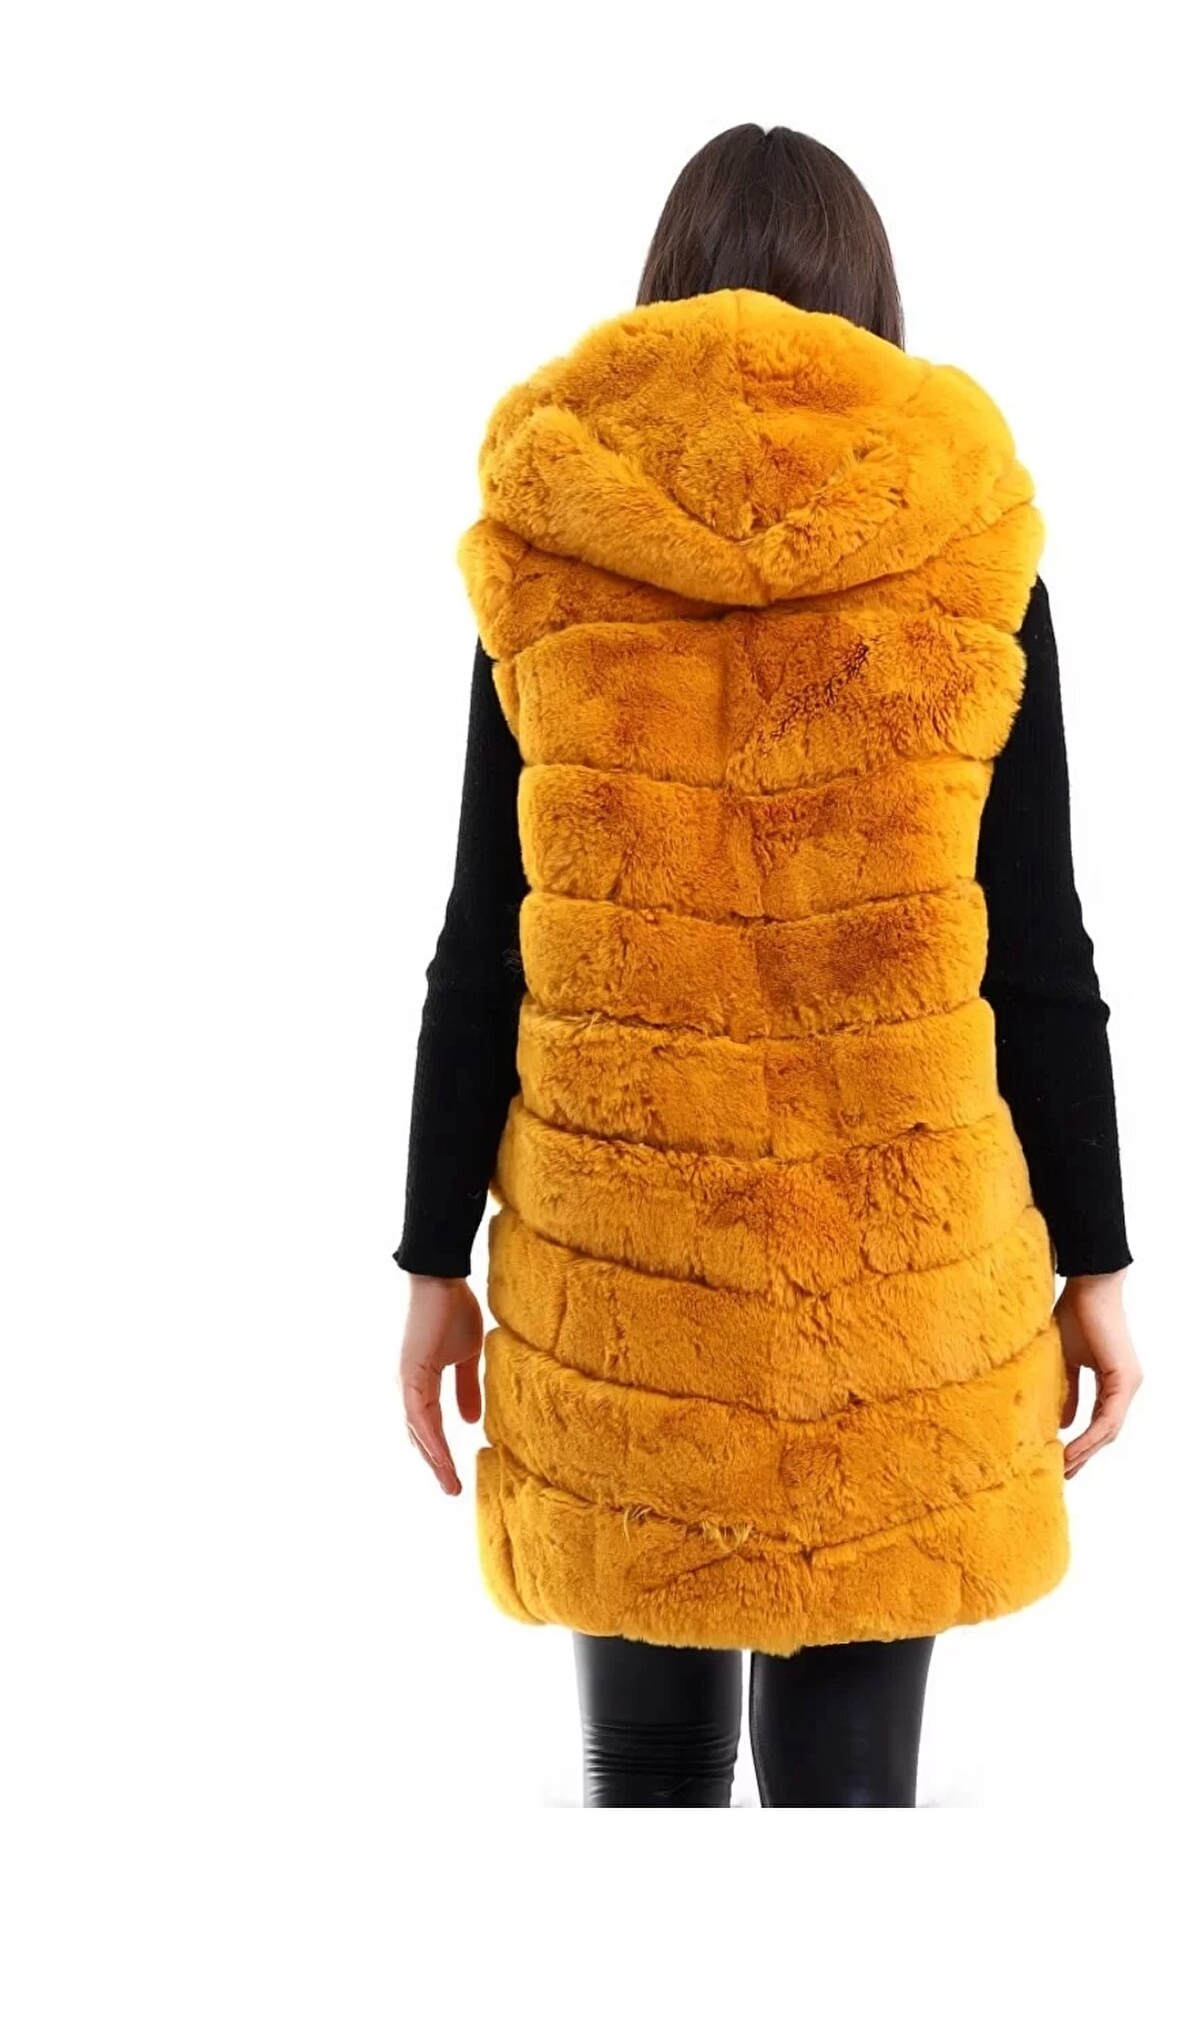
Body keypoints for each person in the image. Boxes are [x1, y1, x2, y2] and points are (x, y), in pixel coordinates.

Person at [394, 124, 1142, 1808]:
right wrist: (1096, 1260)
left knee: (645, 1796)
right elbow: (1040, 948)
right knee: (850, 1814)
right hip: (895, 1292)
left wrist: (435, 1261)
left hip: (627, 1298)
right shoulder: (966, 554)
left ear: (663, 288)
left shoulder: (553, 551)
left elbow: (479, 943)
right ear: (869, 302)